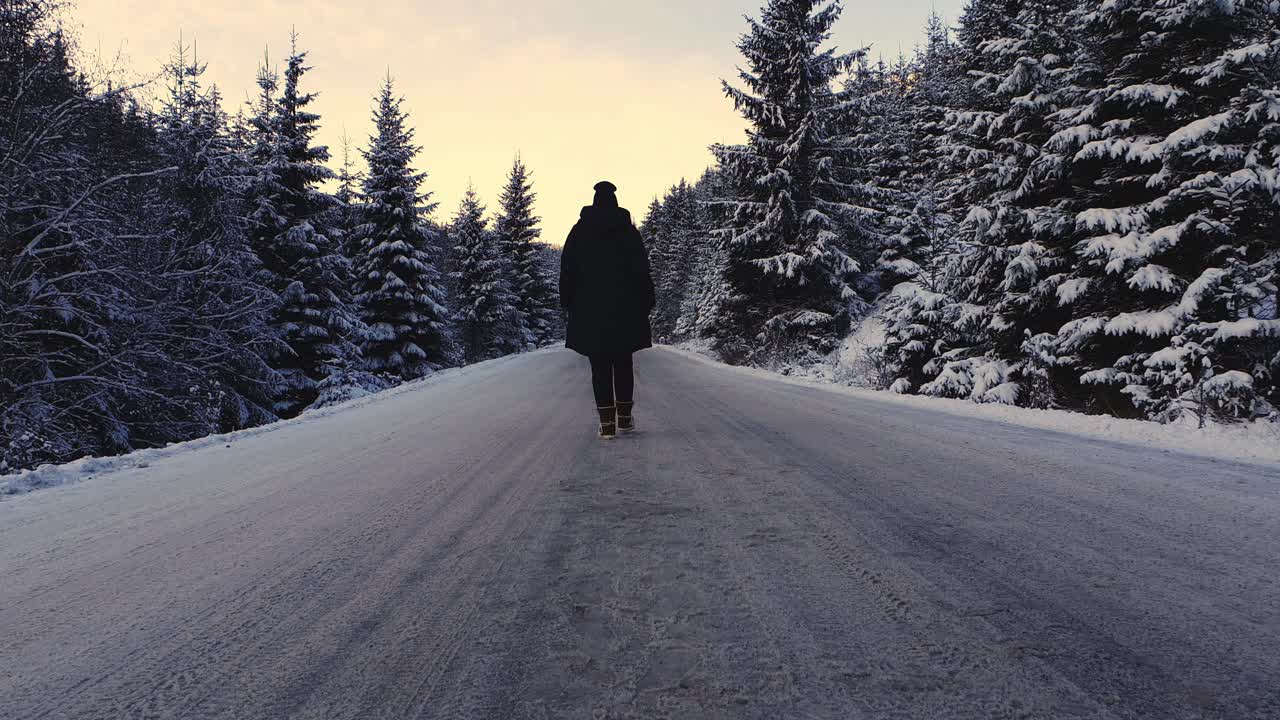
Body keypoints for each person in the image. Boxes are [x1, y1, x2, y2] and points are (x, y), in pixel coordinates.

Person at [559, 181, 656, 438]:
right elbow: (641, 270)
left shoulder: (578, 231)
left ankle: (607, 424)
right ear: (615, 201)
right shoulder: (629, 232)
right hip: (626, 310)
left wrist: (567, 302)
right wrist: (647, 301)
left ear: (594, 201)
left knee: (599, 365)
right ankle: (624, 418)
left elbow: (567, 270)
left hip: (589, 311)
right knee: (623, 361)